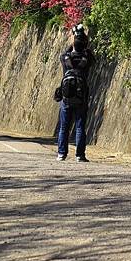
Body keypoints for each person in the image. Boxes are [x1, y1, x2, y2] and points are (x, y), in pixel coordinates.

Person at [56, 24, 95, 162]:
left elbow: (66, 52)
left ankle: (61, 153)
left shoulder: (65, 58)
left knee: (64, 127)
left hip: (66, 98)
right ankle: (80, 155)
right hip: (81, 97)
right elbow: (90, 54)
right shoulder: (87, 59)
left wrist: (73, 41)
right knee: (80, 126)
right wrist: (82, 41)